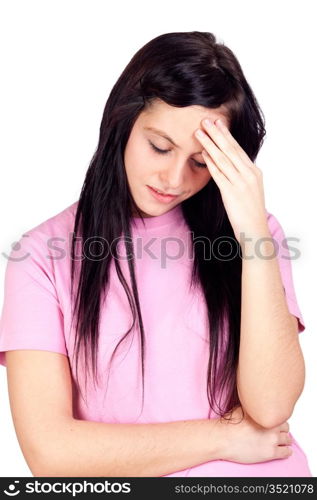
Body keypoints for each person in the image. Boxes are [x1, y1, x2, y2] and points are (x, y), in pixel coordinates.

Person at [0, 31, 312, 477]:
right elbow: (51, 454)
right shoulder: (41, 255)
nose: (174, 177)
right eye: (160, 147)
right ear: (123, 123)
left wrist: (253, 235)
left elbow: (271, 406)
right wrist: (223, 436)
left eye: (202, 162)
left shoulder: (258, 234)